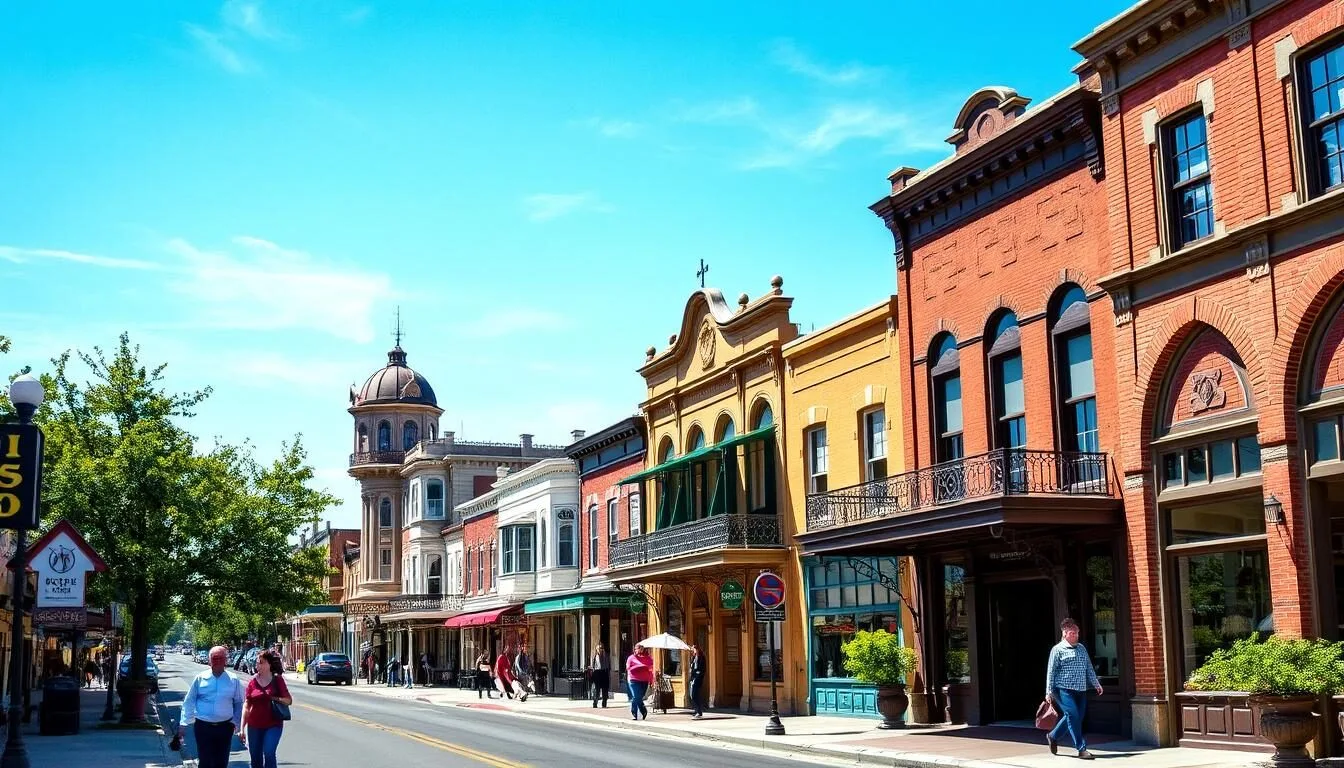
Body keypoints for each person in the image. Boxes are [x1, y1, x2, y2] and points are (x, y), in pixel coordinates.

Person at [1045, 618, 1103, 761]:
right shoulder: (1057, 650)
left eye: (1077, 633)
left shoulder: (1081, 648)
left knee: (1076, 717)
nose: (1076, 635)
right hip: (1063, 689)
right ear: (1064, 633)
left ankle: (1053, 736)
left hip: (1081, 689)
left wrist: (1096, 683)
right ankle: (1081, 749)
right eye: (1072, 633)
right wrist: (1048, 691)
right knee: (1073, 716)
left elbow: (1088, 667)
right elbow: (1051, 671)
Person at [178, 645, 245, 768]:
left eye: (221, 658)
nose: (218, 661)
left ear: (226, 660)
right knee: (205, 761)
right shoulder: (200, 678)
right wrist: (183, 723)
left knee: (221, 761)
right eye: (214, 658)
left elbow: (239, 703)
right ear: (209, 661)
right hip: (203, 727)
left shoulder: (233, 680)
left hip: (225, 727)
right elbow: (189, 701)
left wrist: (236, 723)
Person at [240, 650, 292, 768]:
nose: (258, 665)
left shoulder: (277, 680)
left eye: (261, 663)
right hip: (254, 725)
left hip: (273, 724)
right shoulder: (252, 682)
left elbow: (288, 700)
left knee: (269, 753)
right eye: (257, 663)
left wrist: (273, 697)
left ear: (269, 664)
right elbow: (246, 705)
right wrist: (242, 728)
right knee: (255, 757)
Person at [626, 644, 654, 721]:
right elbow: (628, 668)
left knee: (639, 697)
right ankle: (638, 711)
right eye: (636, 649)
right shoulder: (631, 658)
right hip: (633, 680)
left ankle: (638, 711)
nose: (638, 650)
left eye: (640, 648)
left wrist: (651, 680)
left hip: (644, 680)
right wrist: (640, 666)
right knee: (636, 696)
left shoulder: (648, 658)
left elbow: (650, 670)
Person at [688, 643, 707, 719]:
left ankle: (699, 711)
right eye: (693, 649)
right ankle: (696, 710)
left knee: (695, 694)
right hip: (693, 677)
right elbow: (692, 667)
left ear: (697, 649)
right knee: (692, 695)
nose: (693, 651)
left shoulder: (701, 657)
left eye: (694, 649)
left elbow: (702, 669)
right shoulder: (693, 657)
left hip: (698, 678)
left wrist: (698, 674)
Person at [590, 642, 610, 708]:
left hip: (604, 673)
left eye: (601, 648)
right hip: (597, 673)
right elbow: (593, 666)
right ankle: (595, 702)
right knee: (597, 689)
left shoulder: (606, 655)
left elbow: (608, 665)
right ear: (596, 649)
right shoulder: (595, 656)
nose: (600, 650)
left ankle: (604, 703)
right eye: (599, 648)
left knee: (605, 690)